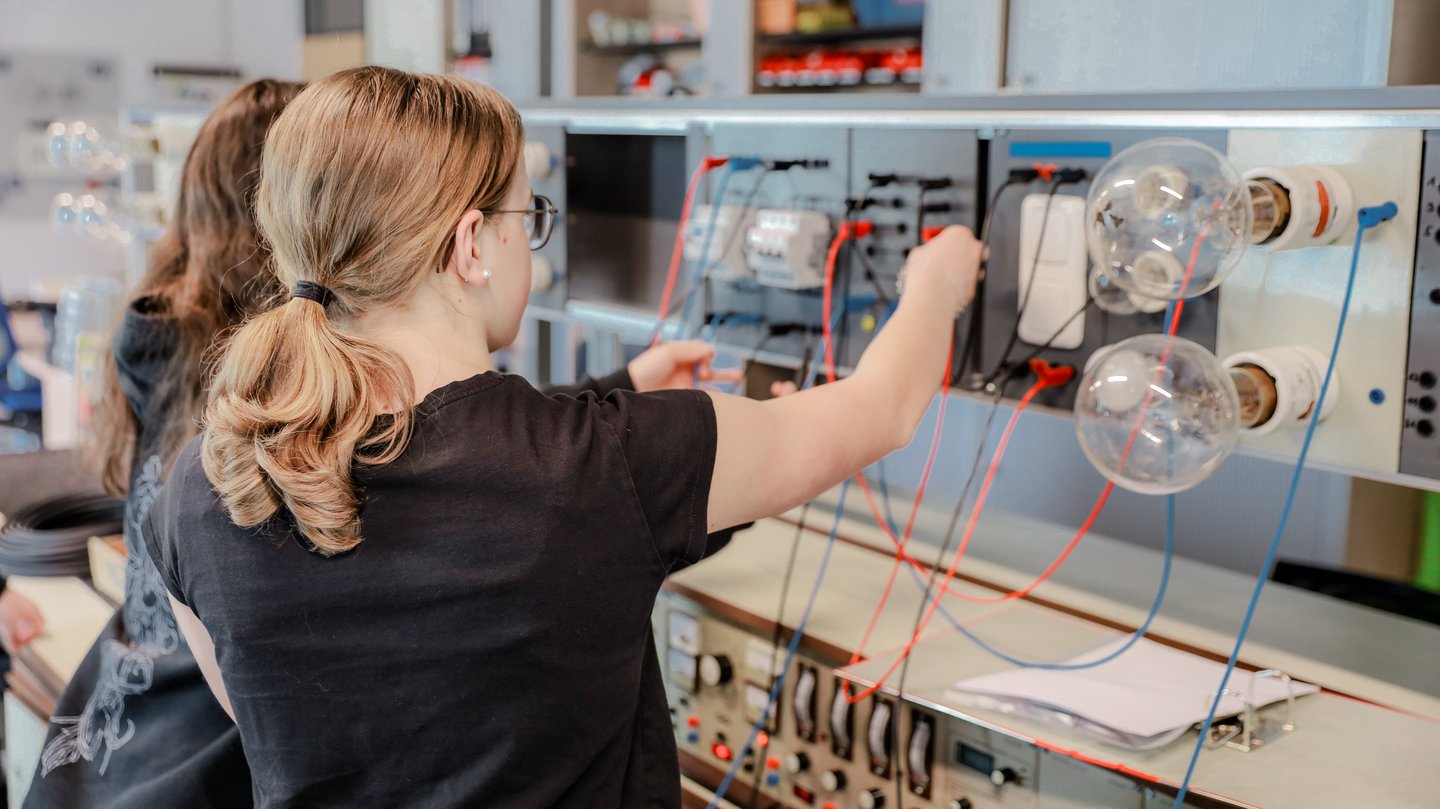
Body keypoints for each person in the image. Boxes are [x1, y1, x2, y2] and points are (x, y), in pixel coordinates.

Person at [142, 67, 980, 808]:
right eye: (524, 217)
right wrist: (934, 286)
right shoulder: (599, 466)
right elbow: (883, 408)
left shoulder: (201, 482)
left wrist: (621, 394)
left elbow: (259, 706)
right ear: (473, 244)